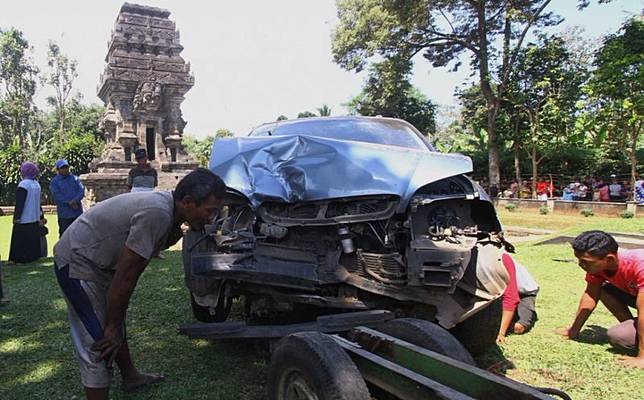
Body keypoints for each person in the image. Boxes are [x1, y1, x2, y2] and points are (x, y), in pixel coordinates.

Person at [54, 168, 226, 399]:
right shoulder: (158, 214)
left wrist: (115, 321)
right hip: (77, 262)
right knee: (99, 341)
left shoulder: (170, 215)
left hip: (102, 263)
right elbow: (127, 275)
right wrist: (113, 326)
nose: (211, 218)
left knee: (113, 319)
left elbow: (130, 272)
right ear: (188, 202)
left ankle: (130, 376)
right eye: (210, 211)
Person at [555, 231, 644, 369]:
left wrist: (642, 357)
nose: (580, 264)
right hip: (637, 298)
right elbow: (591, 295)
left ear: (609, 259)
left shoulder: (640, 263)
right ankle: (631, 327)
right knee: (603, 288)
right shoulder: (598, 269)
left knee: (619, 336)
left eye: (585, 262)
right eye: (579, 260)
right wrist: (573, 330)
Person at [497, 254, 540, 342]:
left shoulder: (502, 259)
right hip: (500, 291)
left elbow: (511, 298)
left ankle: (529, 314)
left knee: (518, 327)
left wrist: (501, 332)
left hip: (524, 293)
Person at [8, 162, 43, 264]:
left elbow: (20, 203)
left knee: (19, 240)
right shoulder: (37, 184)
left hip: (24, 217)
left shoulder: (23, 184)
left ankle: (17, 259)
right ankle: (32, 257)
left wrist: (16, 217)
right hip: (34, 217)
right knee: (32, 241)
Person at [50, 159, 85, 237]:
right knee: (64, 236)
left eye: (66, 167)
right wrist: (69, 202)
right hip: (64, 214)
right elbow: (57, 195)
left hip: (77, 212)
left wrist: (75, 200)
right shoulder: (55, 182)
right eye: (63, 168)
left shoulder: (75, 179)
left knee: (79, 235)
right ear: (58, 169)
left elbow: (81, 190)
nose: (65, 169)